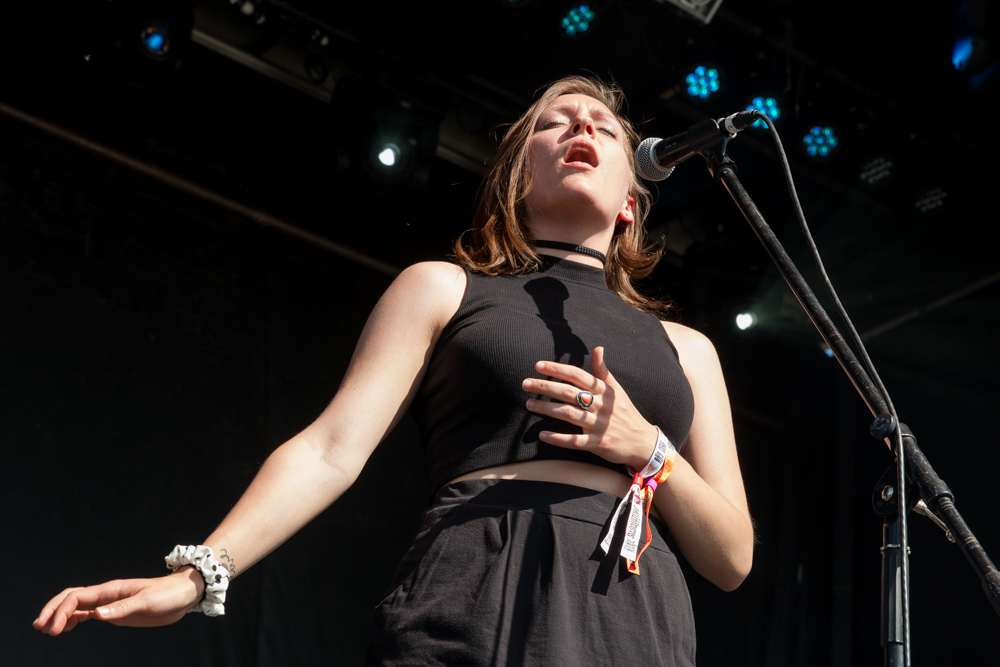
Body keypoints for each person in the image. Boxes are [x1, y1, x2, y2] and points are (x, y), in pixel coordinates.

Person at [33, 75, 753, 666]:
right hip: (475, 585)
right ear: (515, 179)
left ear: (632, 199)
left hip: (627, 615)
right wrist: (195, 577)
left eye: (602, 124)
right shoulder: (444, 288)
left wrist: (647, 448)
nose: (581, 128)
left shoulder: (688, 349)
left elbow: (731, 557)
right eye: (554, 122)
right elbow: (329, 448)